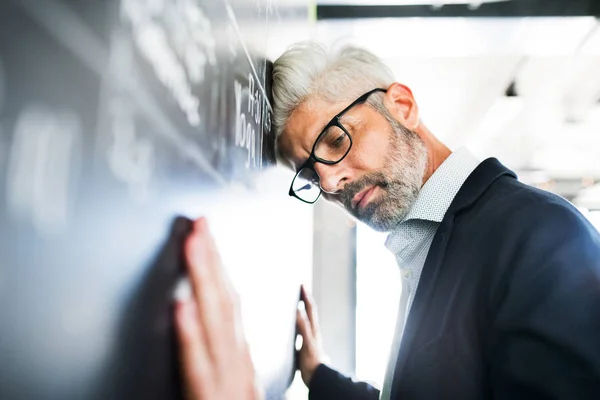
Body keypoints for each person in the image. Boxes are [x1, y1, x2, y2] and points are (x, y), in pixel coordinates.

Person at [174, 43, 600, 399]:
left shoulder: (540, 235)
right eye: (309, 173)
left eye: (337, 139)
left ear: (402, 105)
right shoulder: (432, 245)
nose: (328, 181)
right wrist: (319, 376)